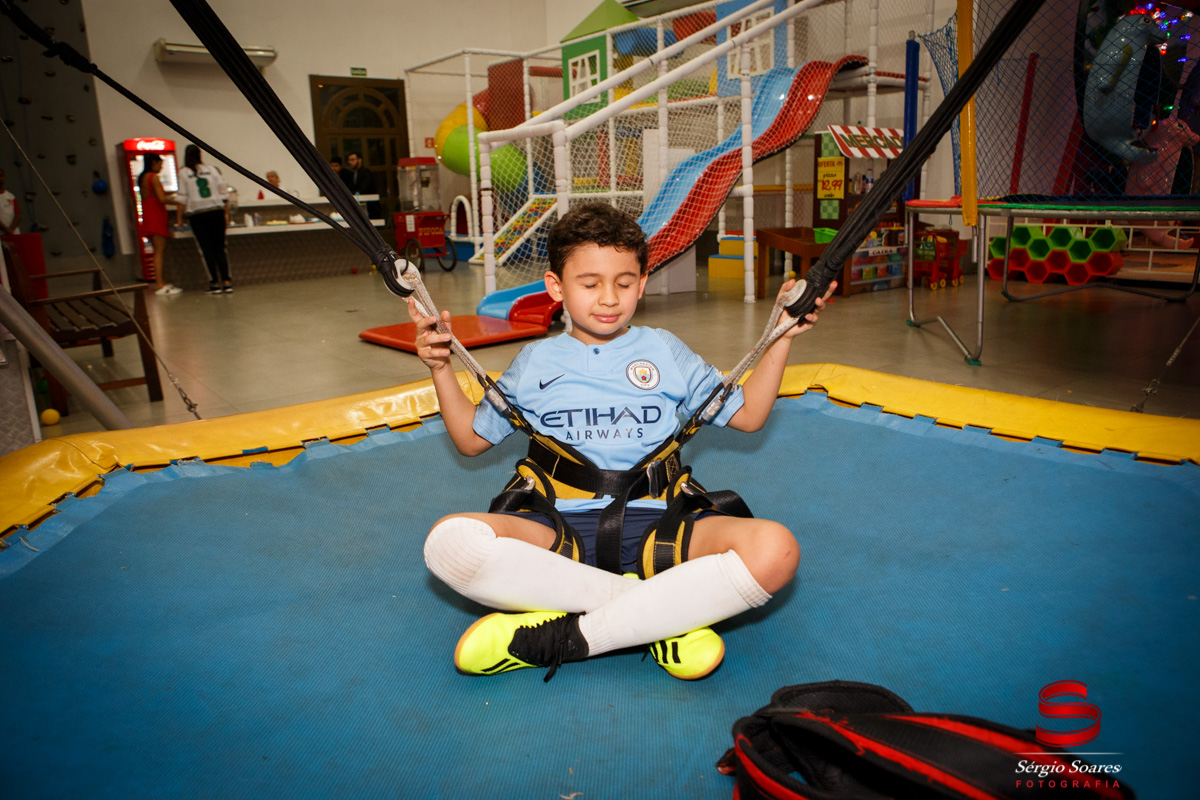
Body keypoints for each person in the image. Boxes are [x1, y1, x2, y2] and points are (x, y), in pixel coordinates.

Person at [408, 203, 833, 681]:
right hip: (556, 531)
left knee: (777, 549)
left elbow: (749, 415)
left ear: (642, 282)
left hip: (661, 528)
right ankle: (663, 617)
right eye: (590, 284)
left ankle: (572, 636)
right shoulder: (535, 362)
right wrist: (440, 368)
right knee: (449, 542)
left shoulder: (664, 350)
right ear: (556, 287)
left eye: (624, 283)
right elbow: (470, 439)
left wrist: (781, 336)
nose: (609, 298)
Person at [175, 144, 233, 295]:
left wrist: (179, 218)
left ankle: (214, 282)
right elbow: (224, 192)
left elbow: (182, 198)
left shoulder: (184, 172)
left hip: (197, 214)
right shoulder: (212, 170)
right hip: (216, 211)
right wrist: (226, 214)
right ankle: (227, 281)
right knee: (220, 248)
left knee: (206, 249)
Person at [138, 154, 180, 295]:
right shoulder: (153, 177)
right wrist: (179, 202)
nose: (161, 168)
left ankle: (161, 281)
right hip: (156, 216)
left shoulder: (143, 177)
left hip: (148, 215)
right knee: (159, 251)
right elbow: (162, 198)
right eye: (160, 164)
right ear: (154, 163)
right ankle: (160, 283)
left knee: (157, 250)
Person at [342, 151, 381, 219]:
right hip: (360, 207)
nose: (350, 162)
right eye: (349, 160)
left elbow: (364, 189)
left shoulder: (366, 172)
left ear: (359, 160)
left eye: (352, 160)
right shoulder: (353, 174)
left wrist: (352, 193)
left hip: (370, 208)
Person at [0, 168, 21, 236]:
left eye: (1, 176)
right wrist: (6, 230)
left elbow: (18, 215)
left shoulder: (10, 196)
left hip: (13, 232)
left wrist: (10, 229)